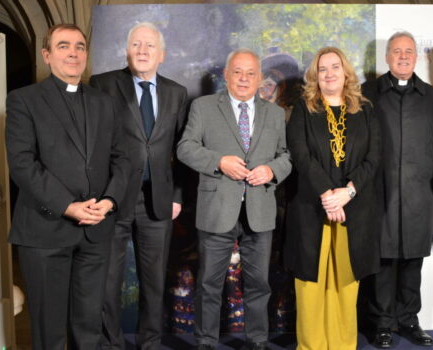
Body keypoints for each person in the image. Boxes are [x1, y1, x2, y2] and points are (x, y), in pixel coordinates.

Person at [5, 24, 129, 350]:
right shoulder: (23, 100)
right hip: (46, 229)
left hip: (96, 230)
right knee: (49, 329)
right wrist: (68, 206)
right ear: (47, 55)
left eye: (79, 46)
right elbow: (22, 164)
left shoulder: (106, 103)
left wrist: (110, 201)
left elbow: (123, 158)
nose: (73, 53)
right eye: (63, 46)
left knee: (89, 326)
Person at [177, 49, 292, 350]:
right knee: (208, 284)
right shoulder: (202, 107)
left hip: (260, 210)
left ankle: (257, 341)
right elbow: (185, 148)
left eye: (250, 73)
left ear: (258, 78)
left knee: (259, 284)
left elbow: (286, 157)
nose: (244, 78)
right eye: (237, 72)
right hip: (217, 209)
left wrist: (271, 170)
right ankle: (205, 342)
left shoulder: (275, 114)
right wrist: (219, 162)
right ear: (226, 75)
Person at [89, 22, 189, 350]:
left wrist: (177, 196)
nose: (143, 51)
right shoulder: (102, 85)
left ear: (162, 54)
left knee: (155, 282)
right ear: (127, 51)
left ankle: (150, 343)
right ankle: (111, 344)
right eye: (136, 45)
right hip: (112, 199)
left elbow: (181, 149)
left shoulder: (177, 93)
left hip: (158, 202)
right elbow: (91, 145)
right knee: (108, 282)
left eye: (149, 46)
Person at [285, 46, 381, 350]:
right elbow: (300, 155)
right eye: (322, 69)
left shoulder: (365, 109)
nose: (329, 74)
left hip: (355, 208)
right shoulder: (303, 108)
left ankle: (342, 345)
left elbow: (374, 157)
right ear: (315, 75)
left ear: (346, 72)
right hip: (313, 207)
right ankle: (311, 346)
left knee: (346, 283)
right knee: (310, 284)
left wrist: (347, 193)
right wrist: (328, 195)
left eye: (335, 67)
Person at [362, 31, 433, 348]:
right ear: (387, 56)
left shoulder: (432, 98)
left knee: (412, 260)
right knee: (382, 261)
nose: (403, 56)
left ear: (417, 56)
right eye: (397, 51)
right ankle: (381, 323)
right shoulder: (368, 94)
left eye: (409, 51)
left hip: (417, 193)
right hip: (378, 192)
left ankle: (409, 320)